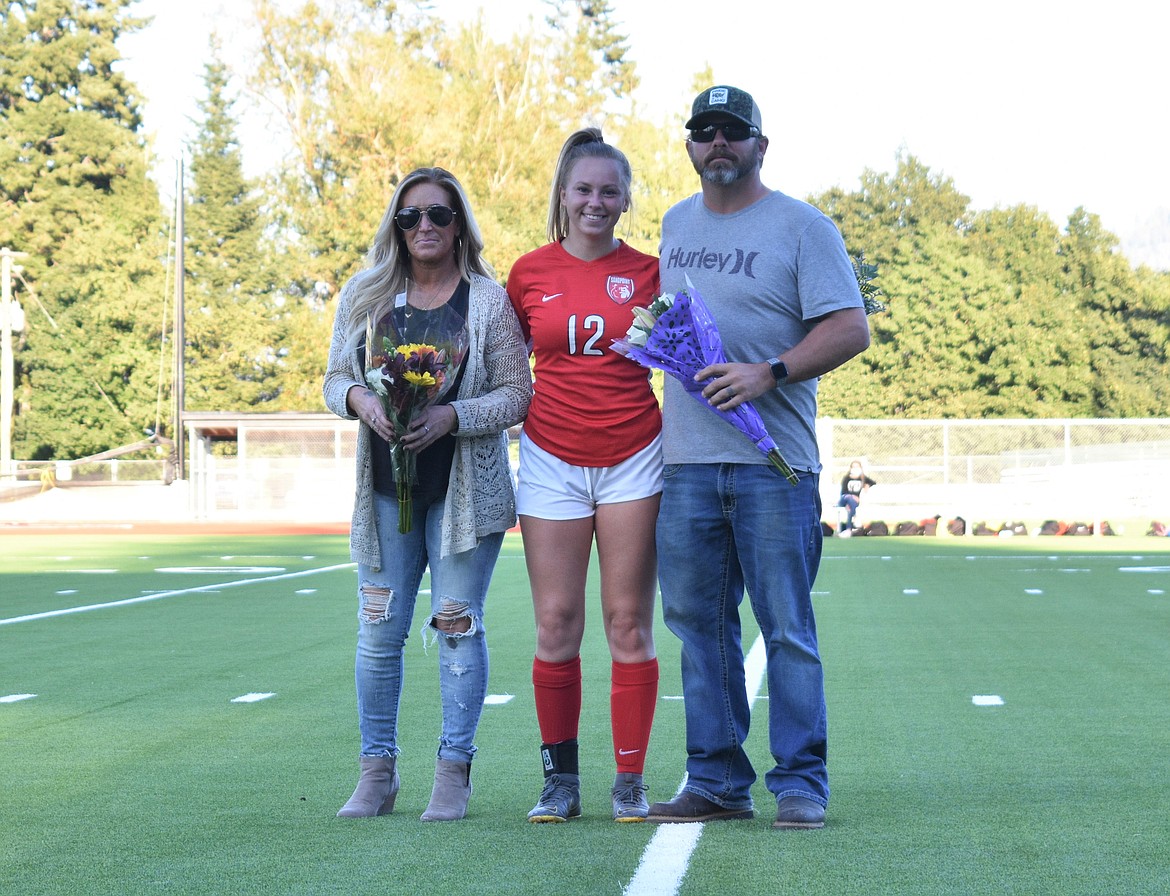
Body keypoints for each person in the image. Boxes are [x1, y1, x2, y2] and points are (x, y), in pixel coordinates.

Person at [646, 86, 871, 830]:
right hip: (686, 463)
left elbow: (849, 328)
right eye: (704, 132)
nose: (718, 143)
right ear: (690, 145)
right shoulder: (674, 225)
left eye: (732, 132)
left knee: (786, 626)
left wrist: (767, 371)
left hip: (776, 467)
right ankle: (715, 780)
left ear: (760, 146)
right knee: (698, 627)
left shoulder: (804, 227)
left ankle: (801, 782)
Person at [323, 167, 531, 822]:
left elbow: (517, 393)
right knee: (378, 626)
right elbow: (333, 379)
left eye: (438, 215)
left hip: (466, 494)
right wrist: (360, 399)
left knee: (454, 624)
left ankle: (452, 772)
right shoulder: (363, 296)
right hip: (386, 493)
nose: (424, 228)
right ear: (395, 224)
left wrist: (452, 416)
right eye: (410, 217)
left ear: (459, 223)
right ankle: (376, 773)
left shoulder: (488, 302)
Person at [506, 128, 663, 823]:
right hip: (549, 459)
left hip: (635, 456)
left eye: (609, 191)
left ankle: (629, 781)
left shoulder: (655, 271)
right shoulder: (528, 271)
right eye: (583, 190)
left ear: (626, 199)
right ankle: (559, 782)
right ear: (563, 197)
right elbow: (508, 367)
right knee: (556, 621)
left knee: (628, 622)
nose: (595, 201)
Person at [836, 459, 876, 535]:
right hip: (844, 499)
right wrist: (852, 496)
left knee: (851, 506)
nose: (855, 468)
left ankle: (849, 529)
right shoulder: (847, 478)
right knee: (850, 499)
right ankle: (852, 525)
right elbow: (843, 492)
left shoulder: (863, 478)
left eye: (857, 467)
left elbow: (873, 482)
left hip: (854, 502)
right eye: (853, 467)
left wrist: (867, 485)